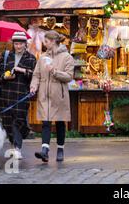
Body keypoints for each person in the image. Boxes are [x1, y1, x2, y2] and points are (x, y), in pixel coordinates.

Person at [31, 30, 74, 162]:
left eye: (46, 41)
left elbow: (69, 76)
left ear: (54, 41)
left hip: (58, 95)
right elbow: (36, 74)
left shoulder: (67, 57)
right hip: (44, 94)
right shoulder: (43, 57)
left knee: (60, 122)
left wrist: (54, 71)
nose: (44, 44)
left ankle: (60, 149)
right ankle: (45, 151)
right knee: (46, 122)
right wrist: (34, 85)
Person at [0, 31, 36, 159]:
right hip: (6, 94)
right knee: (7, 122)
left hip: (21, 94)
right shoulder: (6, 55)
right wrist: (5, 76)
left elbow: (35, 75)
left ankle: (17, 148)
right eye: (16, 43)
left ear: (25, 44)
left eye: (20, 44)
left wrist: (22, 70)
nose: (18, 46)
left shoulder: (31, 58)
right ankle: (13, 145)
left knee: (19, 121)